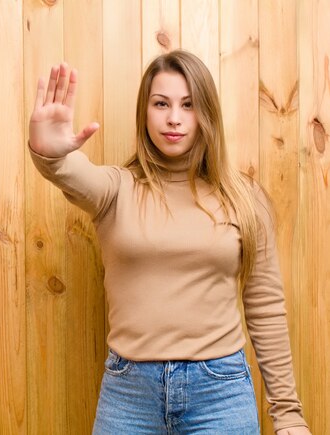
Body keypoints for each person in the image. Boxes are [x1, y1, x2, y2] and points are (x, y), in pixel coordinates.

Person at [27, 50, 311, 435]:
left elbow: (265, 307)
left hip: (221, 393)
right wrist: (51, 153)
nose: (174, 118)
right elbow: (71, 171)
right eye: (161, 103)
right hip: (129, 394)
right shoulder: (116, 189)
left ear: (206, 113)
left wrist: (289, 415)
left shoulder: (245, 198)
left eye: (188, 105)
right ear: (145, 112)